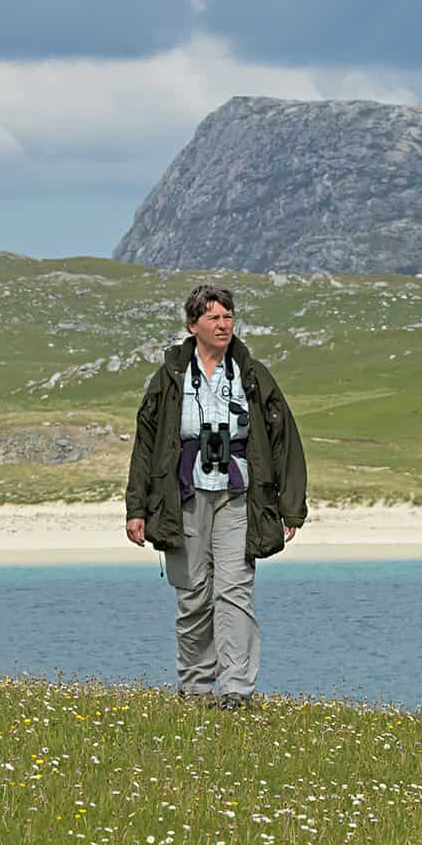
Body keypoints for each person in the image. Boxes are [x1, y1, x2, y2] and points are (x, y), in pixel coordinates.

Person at [124, 285, 308, 710]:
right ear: (193, 325)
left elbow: (284, 440)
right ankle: (195, 687)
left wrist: (291, 507)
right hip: (182, 496)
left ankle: (236, 691)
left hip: (239, 495)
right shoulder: (169, 378)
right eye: (213, 318)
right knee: (192, 594)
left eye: (228, 317)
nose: (223, 325)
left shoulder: (253, 374)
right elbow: (145, 445)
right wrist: (137, 508)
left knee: (234, 591)